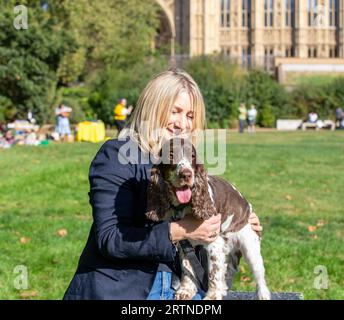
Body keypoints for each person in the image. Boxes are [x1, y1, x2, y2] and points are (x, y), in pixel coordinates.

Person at [63, 69, 263, 300]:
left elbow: (205, 238)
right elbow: (110, 239)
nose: (182, 124)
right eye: (174, 111)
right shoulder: (116, 155)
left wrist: (235, 221)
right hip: (123, 288)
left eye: (190, 116)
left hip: (184, 286)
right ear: (153, 108)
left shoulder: (187, 165)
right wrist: (178, 230)